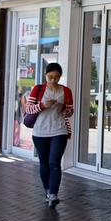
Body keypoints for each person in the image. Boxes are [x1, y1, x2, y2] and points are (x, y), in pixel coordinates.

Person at [25, 63, 73, 207]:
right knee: (44, 164)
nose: (53, 80)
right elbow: (29, 109)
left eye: (56, 78)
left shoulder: (66, 91)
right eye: (50, 77)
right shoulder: (38, 89)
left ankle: (53, 195)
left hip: (59, 130)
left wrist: (63, 108)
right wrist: (42, 105)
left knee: (54, 162)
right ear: (46, 75)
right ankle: (47, 191)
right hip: (40, 132)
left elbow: (70, 111)